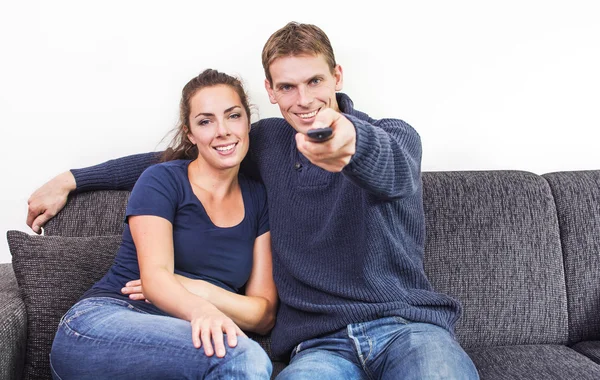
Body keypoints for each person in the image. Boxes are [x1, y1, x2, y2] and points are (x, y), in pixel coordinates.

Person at [30, 22, 479, 379]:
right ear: (269, 90)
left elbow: (393, 167)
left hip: (407, 330)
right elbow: (183, 157)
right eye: (287, 87)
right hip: (319, 346)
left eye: (315, 81)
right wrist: (74, 177)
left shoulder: (393, 136)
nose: (303, 101)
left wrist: (352, 142)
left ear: (337, 76)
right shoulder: (265, 143)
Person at [48, 69, 277, 380]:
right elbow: (154, 280)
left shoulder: (257, 197)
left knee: (241, 354)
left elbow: (262, 314)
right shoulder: (163, 179)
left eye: (233, 115)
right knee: (243, 358)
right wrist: (204, 310)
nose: (222, 130)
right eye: (205, 121)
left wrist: (195, 289)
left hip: (185, 337)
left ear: (247, 122)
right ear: (191, 134)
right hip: (104, 323)